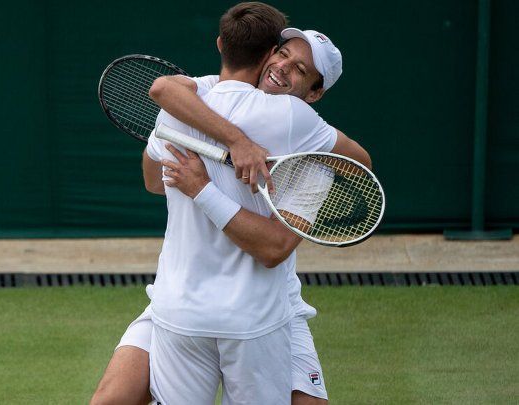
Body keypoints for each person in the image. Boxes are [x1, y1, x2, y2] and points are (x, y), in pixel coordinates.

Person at [91, 4, 370, 405]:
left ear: (315, 93)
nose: (284, 67)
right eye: (283, 54)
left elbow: (276, 244)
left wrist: (205, 187)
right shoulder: (194, 95)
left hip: (269, 310)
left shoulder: (305, 143)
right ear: (266, 53)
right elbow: (162, 92)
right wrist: (239, 143)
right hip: (186, 307)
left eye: (301, 70)